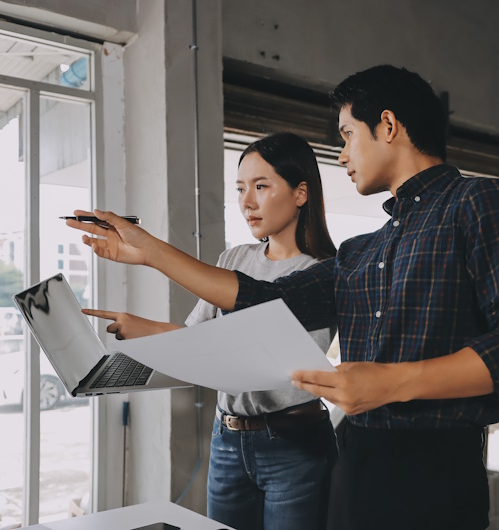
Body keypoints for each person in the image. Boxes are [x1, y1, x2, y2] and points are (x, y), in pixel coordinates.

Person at [68, 65, 499, 530]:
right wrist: (151, 252)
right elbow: (263, 297)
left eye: (347, 135)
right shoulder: (363, 251)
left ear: (388, 125)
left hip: (438, 471)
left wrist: (393, 383)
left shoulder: (480, 202)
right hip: (356, 460)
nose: (342, 155)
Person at [80, 132, 338, 530]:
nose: (247, 202)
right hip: (228, 440)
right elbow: (197, 339)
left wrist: (151, 255)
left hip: (294, 444)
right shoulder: (234, 259)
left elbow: (268, 367)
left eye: (261, 186)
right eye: (240, 189)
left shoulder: (320, 274)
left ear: (300, 193)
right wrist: (140, 328)